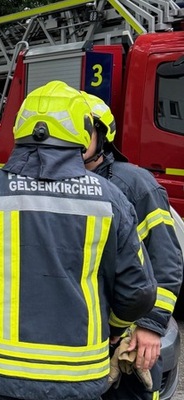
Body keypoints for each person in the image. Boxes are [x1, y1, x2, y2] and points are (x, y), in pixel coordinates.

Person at [0, 81, 157, 400]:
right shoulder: (110, 199)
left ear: (22, 128)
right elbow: (140, 291)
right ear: (81, 129)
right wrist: (115, 328)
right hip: (79, 378)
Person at [80, 92, 183, 400]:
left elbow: (165, 261)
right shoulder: (52, 186)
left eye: (83, 130)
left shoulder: (135, 185)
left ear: (103, 136)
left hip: (128, 339)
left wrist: (150, 326)